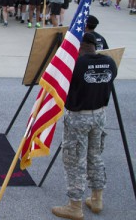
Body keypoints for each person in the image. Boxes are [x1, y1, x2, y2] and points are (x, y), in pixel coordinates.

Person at [52, 32, 117, 220]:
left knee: (74, 160)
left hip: (79, 117)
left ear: (78, 47)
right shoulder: (110, 63)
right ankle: (97, 199)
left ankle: (74, 206)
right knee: (95, 156)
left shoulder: (76, 65)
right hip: (100, 115)